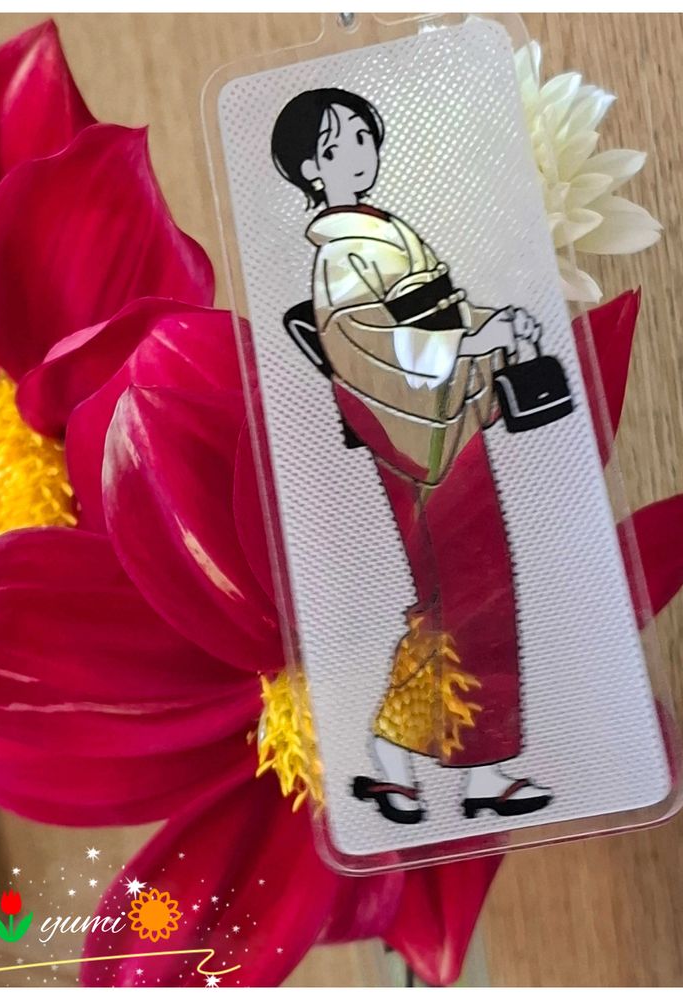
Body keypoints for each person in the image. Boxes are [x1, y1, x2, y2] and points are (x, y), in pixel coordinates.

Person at [272, 88, 552, 824]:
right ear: (310, 168)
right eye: (338, 146)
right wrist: (472, 341)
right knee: (468, 591)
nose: (358, 154)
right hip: (417, 432)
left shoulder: (387, 231)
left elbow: (440, 312)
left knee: (459, 595)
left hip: (445, 416)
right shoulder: (340, 258)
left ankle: (405, 757)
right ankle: (467, 768)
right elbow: (369, 349)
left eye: (364, 137)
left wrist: (493, 324)